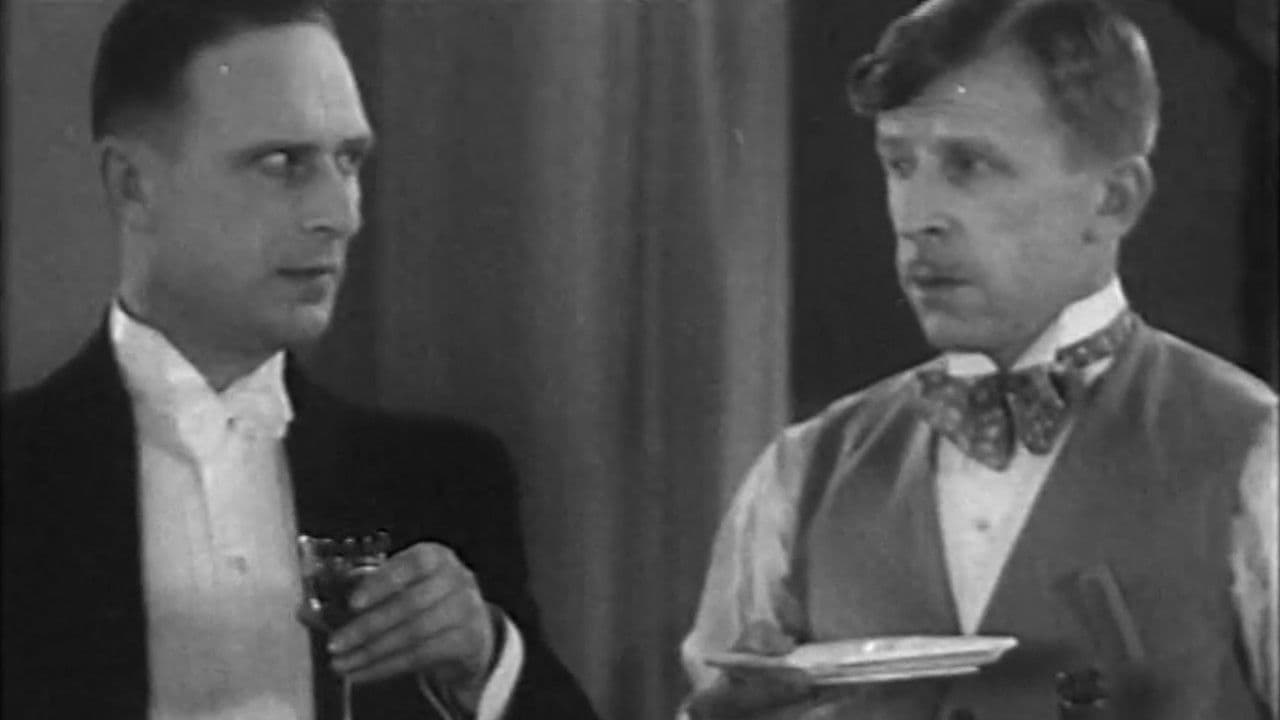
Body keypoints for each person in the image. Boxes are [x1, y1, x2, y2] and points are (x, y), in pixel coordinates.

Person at [0, 1, 598, 719]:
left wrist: (483, 660)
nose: (340, 215)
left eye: (349, 161)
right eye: (282, 164)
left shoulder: (440, 484)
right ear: (132, 184)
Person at [680, 0, 1277, 718]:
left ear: (1114, 200)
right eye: (899, 164)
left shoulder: (1255, 457)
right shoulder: (801, 474)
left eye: (970, 165)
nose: (917, 216)